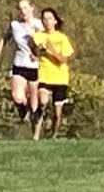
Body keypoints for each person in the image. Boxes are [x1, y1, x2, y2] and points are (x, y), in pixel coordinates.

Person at [0, 0, 43, 124]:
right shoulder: (15, 25)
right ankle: (23, 108)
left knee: (34, 103)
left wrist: (38, 54)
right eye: (20, 9)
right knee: (17, 96)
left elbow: (48, 43)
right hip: (19, 63)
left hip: (34, 66)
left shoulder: (39, 25)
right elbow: (5, 37)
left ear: (31, 8)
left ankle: (35, 116)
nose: (23, 11)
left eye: (25, 8)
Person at [32, 8, 74, 141]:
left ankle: (53, 136)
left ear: (55, 21)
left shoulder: (62, 38)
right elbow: (33, 51)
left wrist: (50, 51)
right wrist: (36, 53)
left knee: (57, 112)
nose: (47, 22)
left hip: (60, 77)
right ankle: (36, 135)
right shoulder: (38, 36)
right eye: (44, 19)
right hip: (44, 75)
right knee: (43, 101)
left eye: (50, 18)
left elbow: (63, 60)